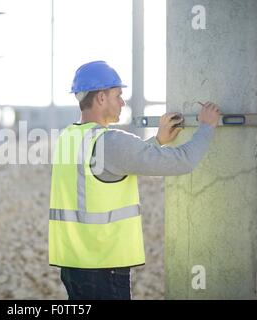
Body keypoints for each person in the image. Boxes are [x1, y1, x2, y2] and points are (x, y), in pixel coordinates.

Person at [48, 60, 220, 300]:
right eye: (118, 95)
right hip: (103, 267)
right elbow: (183, 161)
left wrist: (157, 142)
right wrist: (206, 127)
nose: (122, 102)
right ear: (100, 98)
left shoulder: (69, 138)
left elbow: (109, 168)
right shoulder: (111, 141)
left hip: (73, 266)